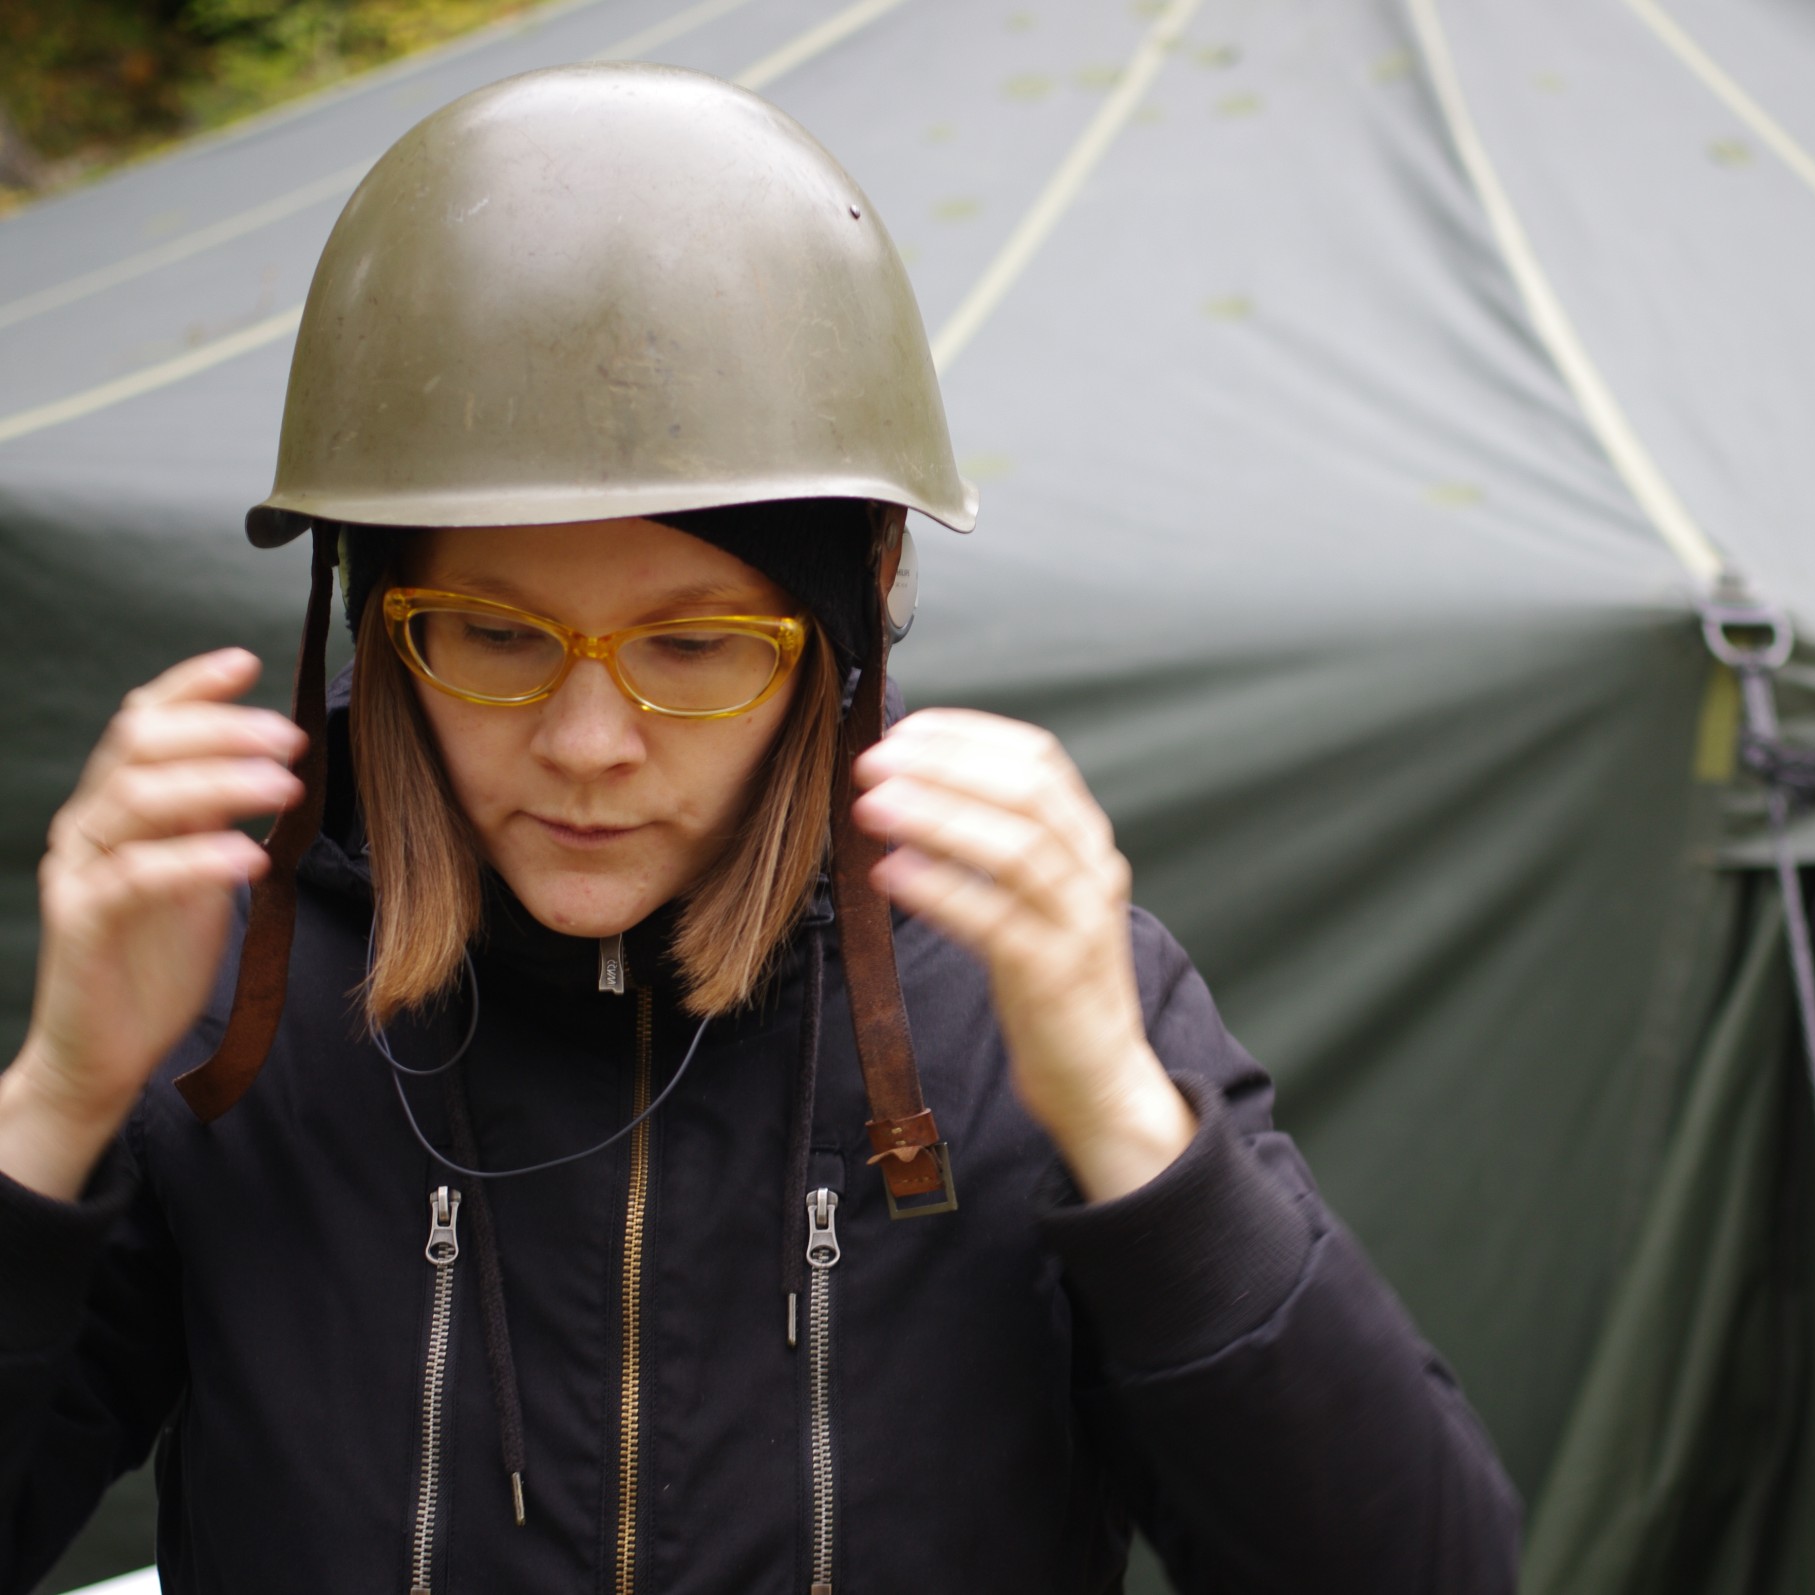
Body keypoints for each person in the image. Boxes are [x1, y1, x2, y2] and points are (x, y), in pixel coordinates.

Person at [0, 63, 1519, 1595]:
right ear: (378, 629)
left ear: (841, 650)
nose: (588, 746)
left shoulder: (1028, 998)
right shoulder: (220, 997)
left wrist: (1127, 1130)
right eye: (494, 635)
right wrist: (52, 1107)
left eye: (696, 646)